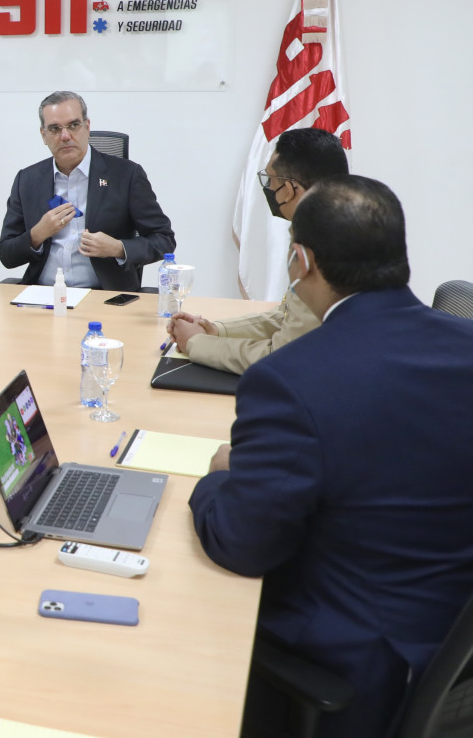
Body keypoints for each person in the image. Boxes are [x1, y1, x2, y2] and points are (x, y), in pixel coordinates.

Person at [189, 176, 473, 737]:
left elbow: (242, 544)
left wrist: (218, 478)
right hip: (449, 642)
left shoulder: (290, 380)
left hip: (356, 661)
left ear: (302, 261)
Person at [167, 128, 348, 374]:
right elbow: (287, 317)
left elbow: (284, 357)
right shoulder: (331, 225)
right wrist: (215, 330)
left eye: (270, 179)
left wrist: (196, 343)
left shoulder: (323, 247)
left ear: (290, 189)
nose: (269, 188)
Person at [0, 91, 175, 291]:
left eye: (74, 125)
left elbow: (164, 240)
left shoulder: (126, 175)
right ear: (43, 135)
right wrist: (37, 234)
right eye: (55, 129)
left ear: (87, 127)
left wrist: (118, 248)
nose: (65, 136)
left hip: (104, 296)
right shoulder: (27, 180)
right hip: (44, 293)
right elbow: (7, 255)